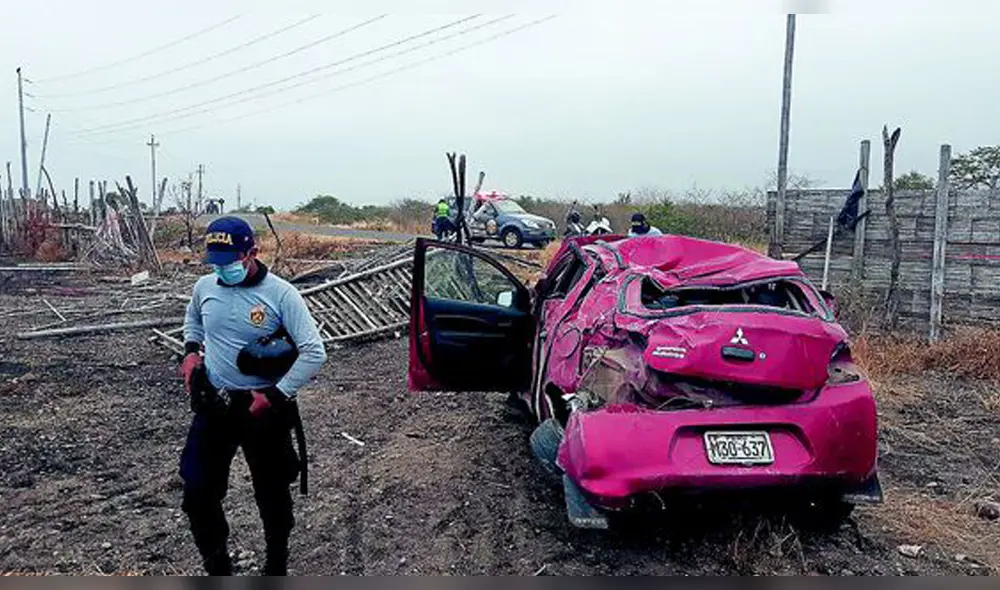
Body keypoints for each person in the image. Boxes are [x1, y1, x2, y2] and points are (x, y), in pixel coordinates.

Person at [179, 216, 328, 576]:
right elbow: (194, 320)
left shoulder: (281, 295)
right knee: (198, 491)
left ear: (252, 253)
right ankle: (217, 565)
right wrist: (190, 352)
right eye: (215, 262)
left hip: (263, 409)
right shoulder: (205, 287)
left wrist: (275, 396)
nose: (222, 269)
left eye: (229, 261)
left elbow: (314, 353)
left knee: (272, 491)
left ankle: (276, 562)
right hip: (215, 403)